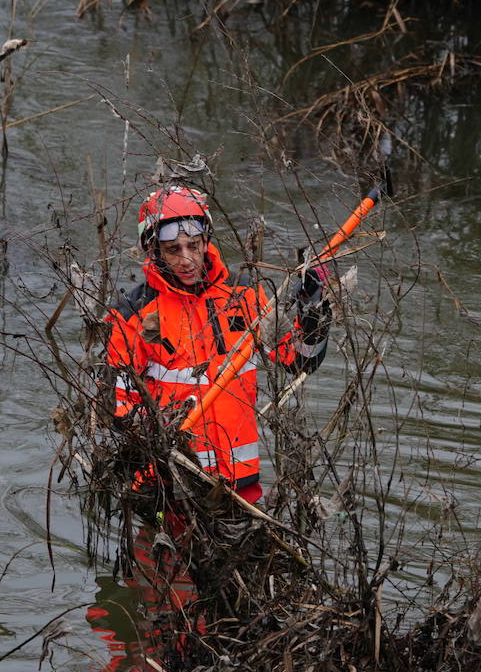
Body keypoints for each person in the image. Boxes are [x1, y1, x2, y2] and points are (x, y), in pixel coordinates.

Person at [104, 185, 332, 511]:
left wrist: (314, 313)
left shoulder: (244, 297)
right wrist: (161, 446)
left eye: (194, 245)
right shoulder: (132, 314)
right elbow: (121, 409)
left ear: (206, 241)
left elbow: (299, 360)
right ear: (154, 251)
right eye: (173, 249)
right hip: (166, 486)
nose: (187, 259)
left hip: (239, 487)